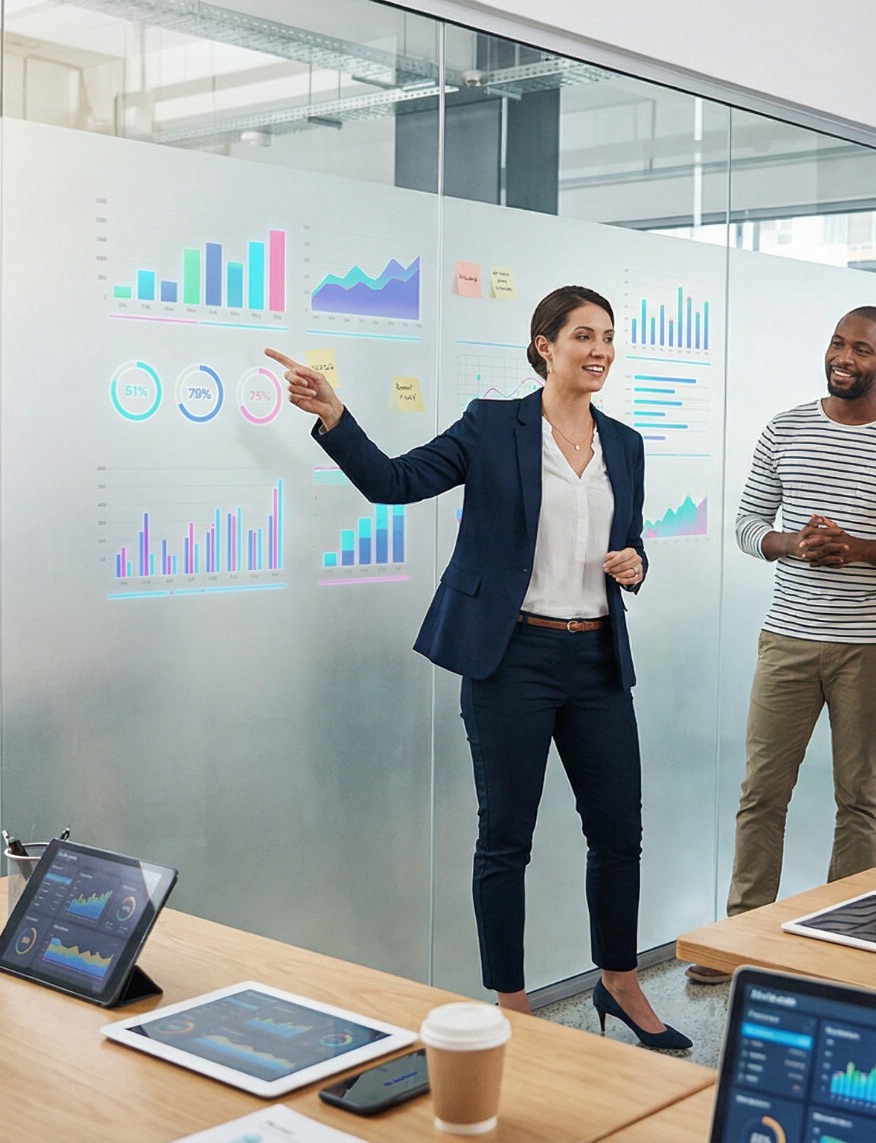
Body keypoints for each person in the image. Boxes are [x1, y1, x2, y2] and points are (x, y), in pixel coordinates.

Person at [269, 285, 687, 1050]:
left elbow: (627, 543)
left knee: (618, 832)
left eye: (608, 337)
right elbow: (393, 482)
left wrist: (636, 561)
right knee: (506, 840)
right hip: (512, 658)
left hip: (595, 655)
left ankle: (619, 982)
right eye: (583, 336)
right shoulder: (493, 426)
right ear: (543, 345)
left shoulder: (624, 442)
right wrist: (332, 413)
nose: (599, 351)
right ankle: (512, 1003)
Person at [691, 307, 876, 986]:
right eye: (837, 342)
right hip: (788, 640)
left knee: (858, 795)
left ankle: (848, 939)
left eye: (862, 349)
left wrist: (854, 547)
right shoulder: (785, 428)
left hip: (870, 647)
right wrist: (792, 543)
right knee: (761, 790)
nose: (845, 356)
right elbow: (747, 524)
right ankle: (739, 935)